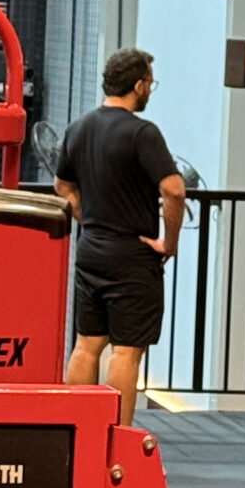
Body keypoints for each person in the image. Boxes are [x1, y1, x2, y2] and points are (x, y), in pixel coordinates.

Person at [55, 47, 185, 426]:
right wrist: (169, 243)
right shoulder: (142, 133)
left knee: (86, 345)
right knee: (126, 352)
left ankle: (77, 434)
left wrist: (88, 218)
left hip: (90, 250)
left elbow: (63, 186)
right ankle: (115, 440)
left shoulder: (78, 128)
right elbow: (174, 190)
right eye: (150, 84)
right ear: (139, 85)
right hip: (132, 255)